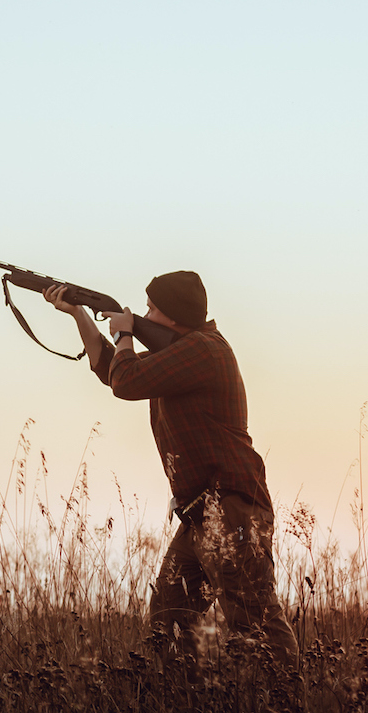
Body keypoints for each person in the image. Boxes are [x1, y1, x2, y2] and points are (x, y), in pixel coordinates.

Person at [43, 272, 299, 667]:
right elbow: (113, 368)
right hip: (200, 513)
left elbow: (126, 380)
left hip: (229, 508)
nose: (142, 314)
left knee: (255, 621)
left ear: (174, 317)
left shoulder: (204, 349)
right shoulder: (184, 351)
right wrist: (78, 312)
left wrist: (125, 333)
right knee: (169, 616)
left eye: (151, 309)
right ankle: (184, 706)